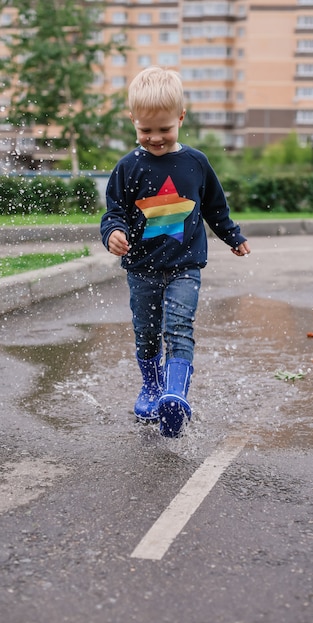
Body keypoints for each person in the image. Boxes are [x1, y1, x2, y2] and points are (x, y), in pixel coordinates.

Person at [100, 66, 251, 438]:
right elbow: (113, 212)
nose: (155, 138)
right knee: (146, 332)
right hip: (142, 270)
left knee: (179, 327)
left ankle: (174, 394)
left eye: (164, 129)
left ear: (181, 118)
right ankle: (152, 387)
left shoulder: (196, 163)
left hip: (185, 267)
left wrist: (232, 236)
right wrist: (113, 234)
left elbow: (215, 207)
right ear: (132, 121)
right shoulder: (127, 167)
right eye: (145, 130)